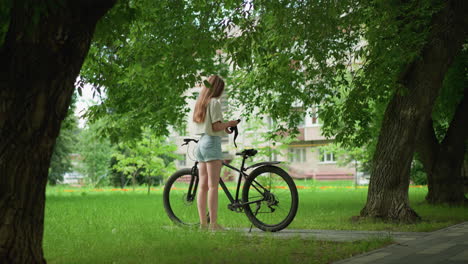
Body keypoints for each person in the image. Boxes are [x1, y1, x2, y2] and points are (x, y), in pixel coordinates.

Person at [192, 75, 239, 231]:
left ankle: (203, 225)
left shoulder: (201, 103)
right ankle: (213, 224)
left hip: (201, 145)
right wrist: (230, 124)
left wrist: (223, 126)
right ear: (218, 88)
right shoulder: (214, 102)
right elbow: (216, 127)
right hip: (212, 144)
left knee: (202, 187)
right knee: (213, 186)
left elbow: (212, 126)